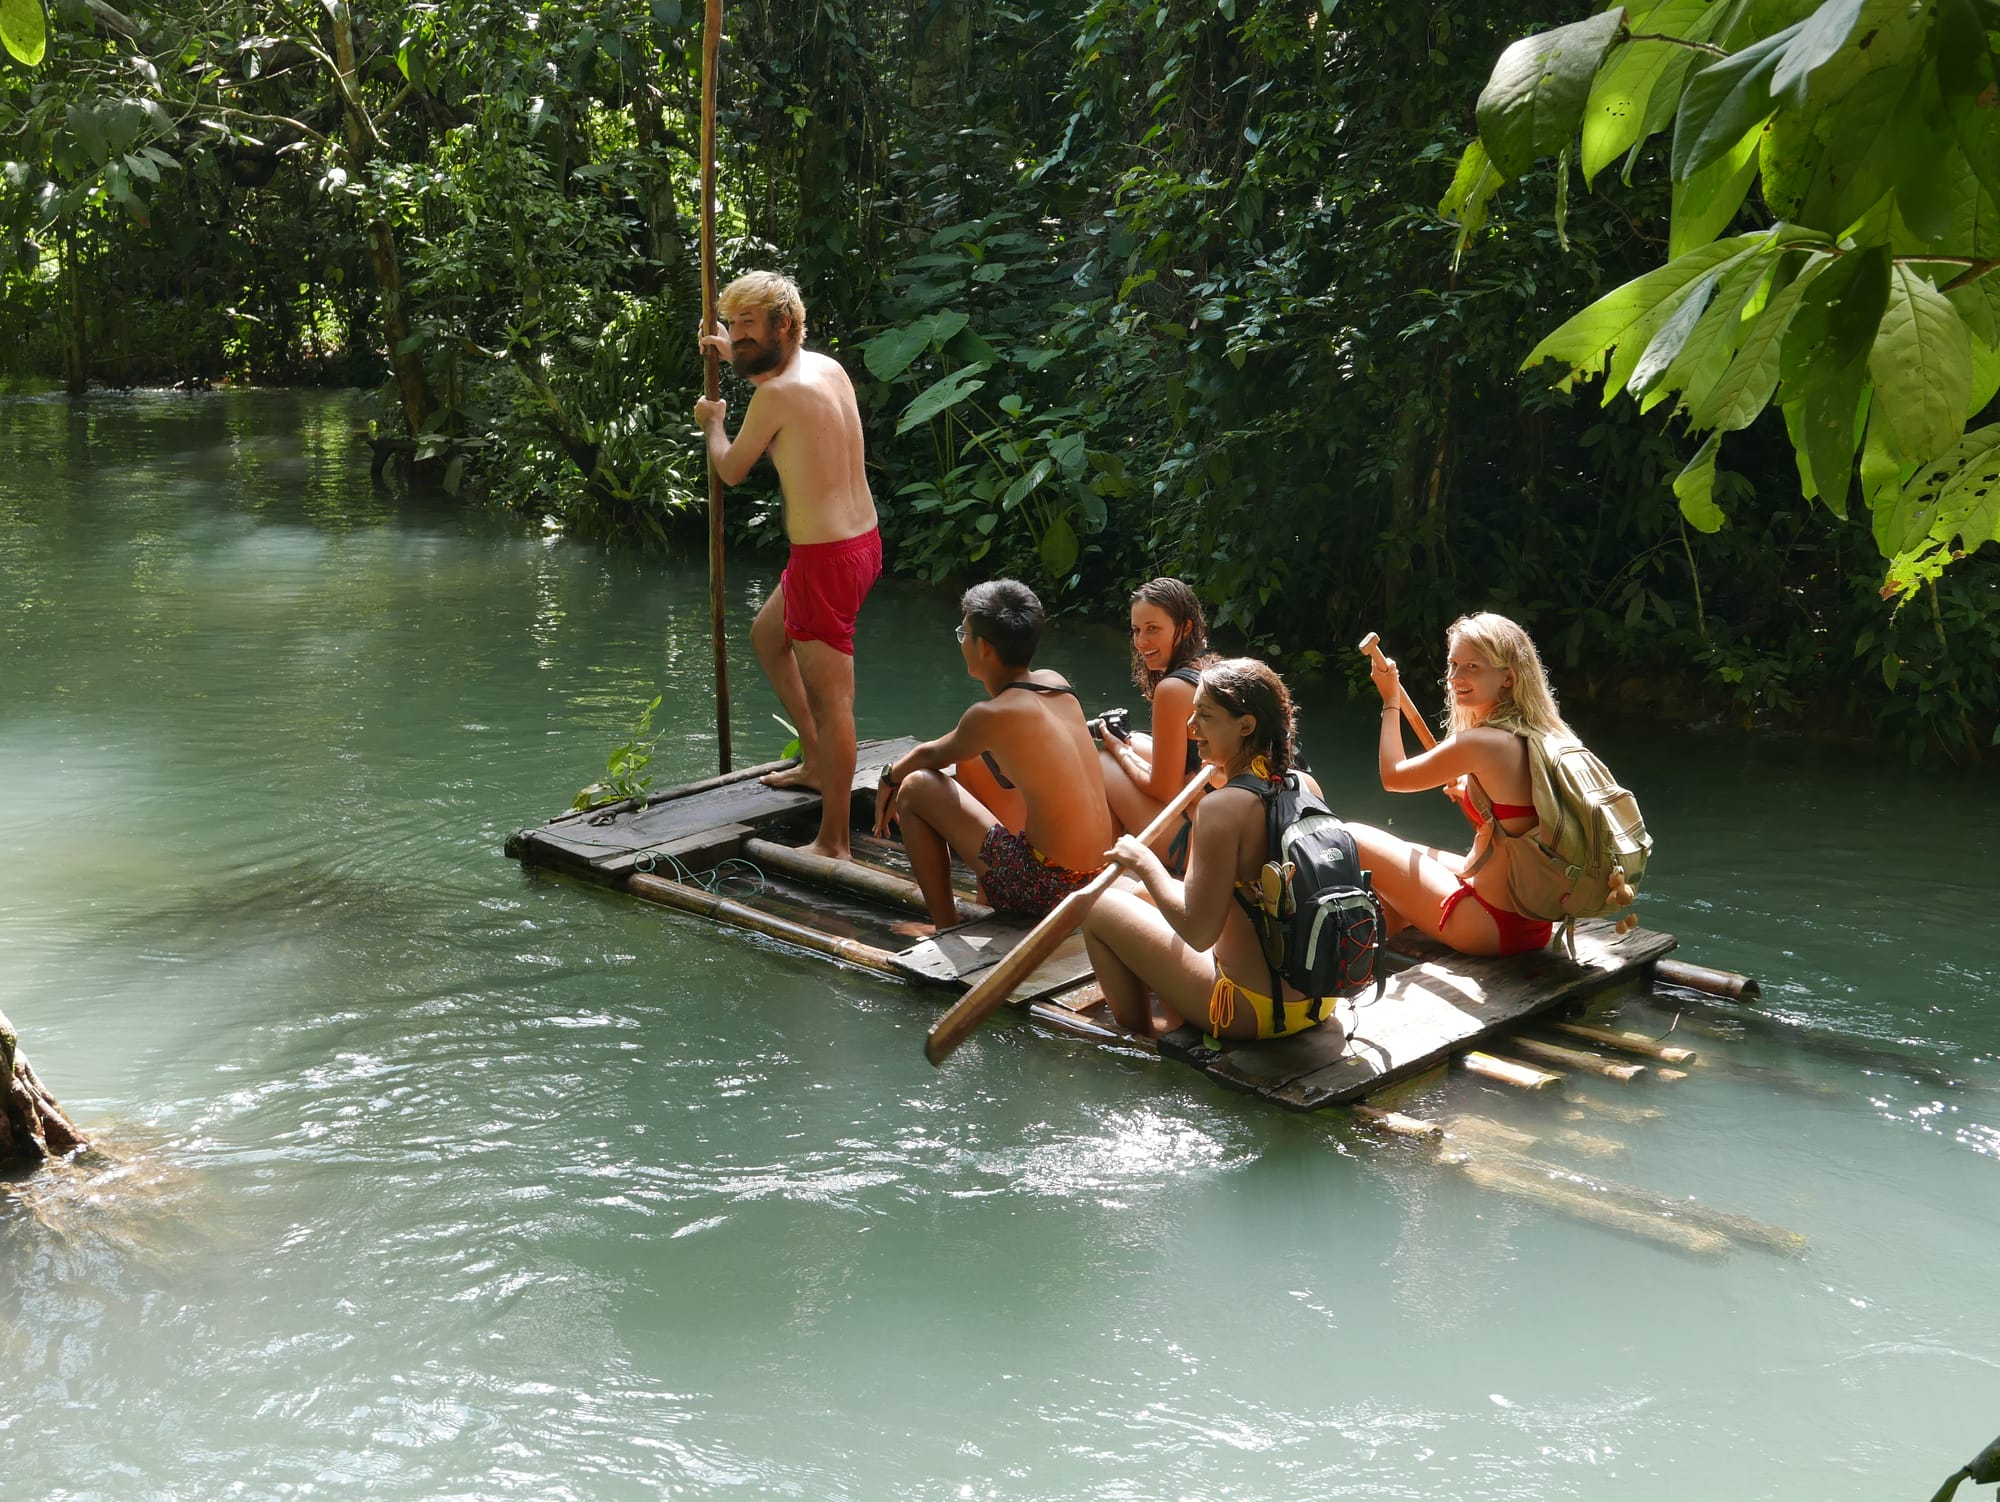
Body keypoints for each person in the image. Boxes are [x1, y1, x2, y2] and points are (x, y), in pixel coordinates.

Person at [694, 270, 880, 861]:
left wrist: (714, 423)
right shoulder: (826, 368)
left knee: (835, 702)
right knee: (767, 636)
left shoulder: (776, 395)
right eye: (734, 324)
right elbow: (773, 374)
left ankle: (834, 841)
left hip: (826, 559)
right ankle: (815, 758)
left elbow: (730, 467)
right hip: (858, 544)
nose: (739, 335)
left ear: (785, 325)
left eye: (750, 324)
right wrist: (733, 353)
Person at [1080, 658, 1340, 1042]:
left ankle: (1140, 1037)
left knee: (1098, 905)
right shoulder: (1303, 784)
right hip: (1320, 1000)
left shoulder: (1221, 808)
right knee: (1134, 895)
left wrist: (1145, 861)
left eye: (1204, 716)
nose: (1190, 728)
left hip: (1251, 1012)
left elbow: (1198, 933)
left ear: (1246, 725)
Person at [872, 581, 1114, 929]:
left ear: (983, 647)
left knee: (914, 787)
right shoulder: (1054, 683)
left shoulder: (990, 716)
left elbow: (930, 756)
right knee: (973, 760)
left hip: (1049, 888)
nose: (961, 642)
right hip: (1096, 878)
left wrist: (889, 776)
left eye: (963, 633)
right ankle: (986, 898)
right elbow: (958, 742)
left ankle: (945, 927)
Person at [1343, 611, 1566, 958]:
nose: (1455, 677)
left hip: (1489, 926)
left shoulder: (1482, 742)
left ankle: (1353, 949)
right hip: (1532, 926)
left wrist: (1391, 701)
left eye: (1472, 667)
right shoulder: (1541, 734)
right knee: (1415, 853)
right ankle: (1381, 933)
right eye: (1453, 665)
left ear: (1507, 677)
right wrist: (1473, 795)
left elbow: (1393, 776)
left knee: (1352, 836)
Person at [1095, 577, 1214, 838]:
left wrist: (1118, 750)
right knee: (1134, 739)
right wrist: (1128, 748)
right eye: (1136, 630)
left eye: (1152, 629)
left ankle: (1102, 863)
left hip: (1202, 842)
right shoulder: (1211, 668)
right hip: (1235, 817)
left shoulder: (1173, 689)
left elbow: (1164, 791)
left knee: (1104, 760)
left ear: (1184, 628)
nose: (1140, 642)